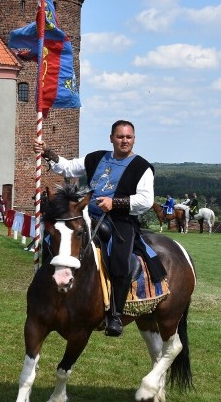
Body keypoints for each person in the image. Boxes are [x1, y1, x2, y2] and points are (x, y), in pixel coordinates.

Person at [36, 119, 161, 338]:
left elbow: (146, 200)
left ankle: (114, 314)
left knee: (120, 261)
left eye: (128, 137)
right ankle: (45, 291)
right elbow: (68, 166)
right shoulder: (97, 158)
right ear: (112, 138)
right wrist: (47, 152)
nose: (124, 141)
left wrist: (116, 203)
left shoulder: (142, 167)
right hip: (88, 214)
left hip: (119, 220)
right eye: (120, 136)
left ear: (134, 139)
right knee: (51, 240)